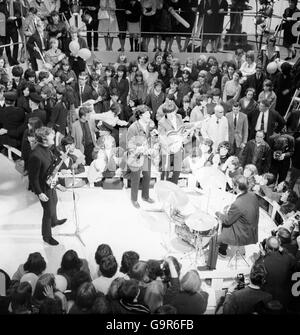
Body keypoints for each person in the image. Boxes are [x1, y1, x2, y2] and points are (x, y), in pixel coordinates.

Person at [27, 127, 67, 246]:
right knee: (48, 211)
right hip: (43, 187)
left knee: (54, 201)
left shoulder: (47, 149)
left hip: (50, 183)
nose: (54, 138)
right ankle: (47, 236)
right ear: (44, 139)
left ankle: (54, 222)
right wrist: (39, 193)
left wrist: (58, 184)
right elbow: (33, 178)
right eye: (52, 137)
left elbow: (50, 169)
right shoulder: (35, 155)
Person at [216, 175, 259, 257]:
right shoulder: (252, 195)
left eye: (233, 185)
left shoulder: (238, 204)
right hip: (251, 228)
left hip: (242, 232)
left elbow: (227, 220)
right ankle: (241, 250)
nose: (232, 187)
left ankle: (222, 250)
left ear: (237, 187)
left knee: (223, 223)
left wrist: (218, 213)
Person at [126, 105, 155, 208]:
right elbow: (129, 145)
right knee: (136, 178)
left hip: (146, 155)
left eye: (149, 114)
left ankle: (145, 196)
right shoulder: (133, 128)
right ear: (140, 116)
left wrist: (151, 148)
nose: (149, 116)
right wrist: (139, 149)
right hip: (136, 156)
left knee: (147, 176)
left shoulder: (149, 125)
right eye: (147, 115)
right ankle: (134, 199)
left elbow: (151, 139)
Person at [256, 236, 296, 309]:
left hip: (268, 300)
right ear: (279, 246)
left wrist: (261, 256)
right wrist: (283, 250)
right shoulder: (288, 258)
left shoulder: (262, 261)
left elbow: (256, 277)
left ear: (266, 247)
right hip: (286, 299)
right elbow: (293, 261)